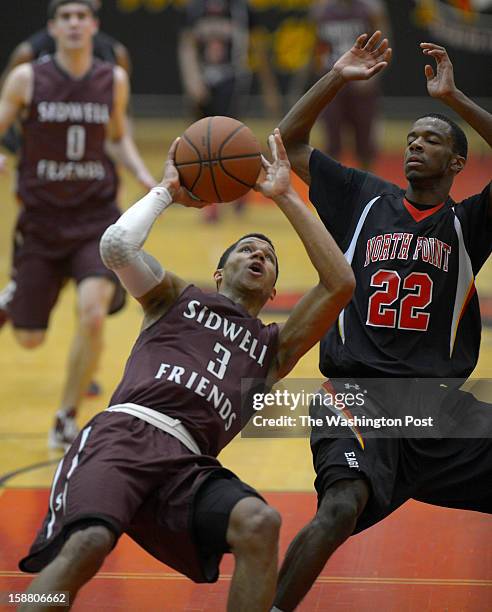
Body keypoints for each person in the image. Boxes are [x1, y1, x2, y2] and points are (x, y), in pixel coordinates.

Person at [17, 129, 355, 612]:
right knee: (87, 544)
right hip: (125, 435)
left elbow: (340, 282)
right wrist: (166, 193)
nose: (259, 254)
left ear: (274, 286)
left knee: (260, 523)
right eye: (247, 250)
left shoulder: (273, 349)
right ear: (219, 274)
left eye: (269, 256)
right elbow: (116, 248)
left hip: (188, 463)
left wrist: (284, 196)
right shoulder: (176, 297)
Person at [272, 32, 492, 611]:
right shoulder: (362, 199)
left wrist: (455, 99)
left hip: (440, 409)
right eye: (412, 137)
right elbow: (288, 142)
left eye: (432, 138)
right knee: (341, 505)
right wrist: (338, 77)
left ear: (458, 162)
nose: (417, 144)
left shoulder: (470, 224)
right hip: (358, 394)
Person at [0, 0, 155, 449]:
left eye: (80, 17)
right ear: (52, 27)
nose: (73, 24)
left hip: (94, 218)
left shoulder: (114, 80)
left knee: (92, 315)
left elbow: (118, 136)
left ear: (94, 26)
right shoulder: (27, 78)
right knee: (29, 339)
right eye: (64, 17)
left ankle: (66, 416)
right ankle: (16, 297)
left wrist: (140, 172)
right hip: (41, 222)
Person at [178, 0, 281, 222]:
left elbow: (258, 46)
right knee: (201, 143)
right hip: (203, 77)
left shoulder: (241, 8)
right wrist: (192, 80)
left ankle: (239, 186)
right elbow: (186, 46)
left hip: (232, 78)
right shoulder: (195, 8)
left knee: (230, 140)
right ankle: (209, 198)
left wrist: (268, 86)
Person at [0, 0, 131, 154]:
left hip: (91, 151)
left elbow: (123, 113)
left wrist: (123, 146)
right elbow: (7, 99)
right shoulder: (28, 53)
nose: (74, 23)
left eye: (81, 15)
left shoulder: (114, 54)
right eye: (67, 16)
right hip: (40, 148)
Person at [306, 0, 389, 170]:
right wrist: (321, 71)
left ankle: (367, 192)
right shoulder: (320, 9)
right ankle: (332, 191)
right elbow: (316, 46)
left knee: (365, 145)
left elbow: (385, 45)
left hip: (361, 81)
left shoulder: (371, 8)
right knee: (332, 142)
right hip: (333, 81)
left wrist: (373, 74)